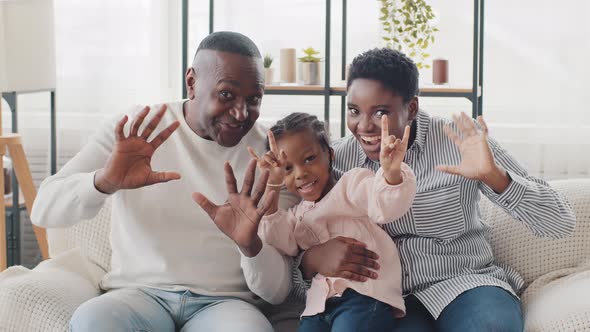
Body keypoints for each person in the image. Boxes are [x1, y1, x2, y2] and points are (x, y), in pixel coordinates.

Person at [216, 48, 576, 331]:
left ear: (412, 107)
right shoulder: (329, 160)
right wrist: (310, 262)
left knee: (491, 327)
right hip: (385, 299)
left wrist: (495, 177)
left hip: (466, 284)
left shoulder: (460, 143)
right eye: (354, 111)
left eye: (381, 111)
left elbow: (560, 222)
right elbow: (296, 237)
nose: (365, 126)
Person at [31, 31, 299, 332]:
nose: (240, 113)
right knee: (93, 319)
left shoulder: (271, 157)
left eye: (253, 99)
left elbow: (277, 291)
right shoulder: (137, 129)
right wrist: (105, 180)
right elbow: (43, 210)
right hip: (137, 294)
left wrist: (250, 244)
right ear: (191, 82)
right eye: (227, 94)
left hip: (226, 304)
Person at [199, 112, 415, 331]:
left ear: (330, 155)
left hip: (366, 297)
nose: (301, 173)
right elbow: (279, 240)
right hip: (319, 305)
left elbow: (385, 207)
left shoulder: (351, 185)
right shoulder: (296, 216)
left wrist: (391, 173)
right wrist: (272, 186)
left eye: (309, 159)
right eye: (288, 169)